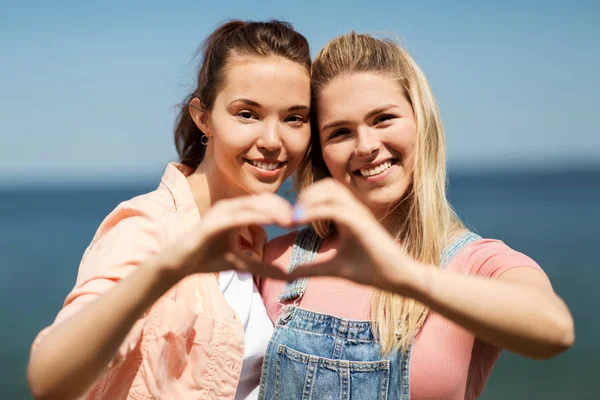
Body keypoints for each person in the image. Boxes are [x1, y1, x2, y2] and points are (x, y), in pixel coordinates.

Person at [258, 32, 575, 400]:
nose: (366, 146)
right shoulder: (276, 260)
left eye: (383, 119)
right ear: (321, 153)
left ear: (420, 121)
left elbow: (554, 330)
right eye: (340, 132)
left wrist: (407, 275)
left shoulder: (473, 263)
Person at [27, 20, 311, 400]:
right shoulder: (148, 228)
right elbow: (50, 379)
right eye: (247, 114)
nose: (273, 141)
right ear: (203, 117)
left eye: (294, 118)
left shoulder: (251, 243)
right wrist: (167, 268)